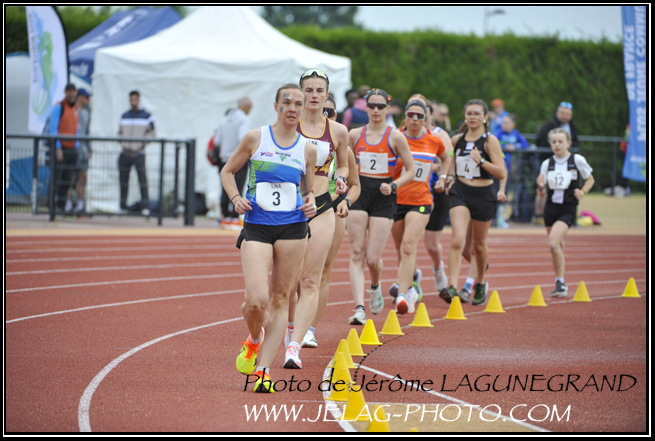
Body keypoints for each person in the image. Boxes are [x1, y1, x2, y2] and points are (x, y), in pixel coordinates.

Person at [222, 83, 317, 393]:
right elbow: (227, 171)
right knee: (256, 302)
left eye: (298, 104)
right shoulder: (255, 138)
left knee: (280, 298)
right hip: (257, 226)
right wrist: (236, 198)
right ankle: (254, 339)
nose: (292, 108)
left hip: (293, 228)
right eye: (287, 102)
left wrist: (311, 201)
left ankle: (263, 369)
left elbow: (309, 190)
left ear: (303, 109)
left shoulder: (307, 149)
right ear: (276, 106)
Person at [282, 68, 349, 370]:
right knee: (289, 280)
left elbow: (344, 166)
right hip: (290, 207)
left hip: (322, 205)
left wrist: (341, 180)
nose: (313, 95)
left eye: (319, 90)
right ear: (300, 94)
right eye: (308, 90)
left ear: (327, 95)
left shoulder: (338, 131)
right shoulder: (288, 126)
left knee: (311, 278)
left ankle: (295, 344)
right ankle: (289, 326)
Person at [347, 88, 415, 324]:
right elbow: (344, 162)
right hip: (359, 194)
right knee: (357, 252)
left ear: (388, 109)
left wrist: (394, 185)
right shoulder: (355, 135)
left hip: (384, 196)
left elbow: (411, 170)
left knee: (373, 259)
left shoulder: (395, 136)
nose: (375, 110)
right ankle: (359, 308)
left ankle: (375, 286)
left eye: (380, 106)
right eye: (372, 106)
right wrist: (344, 180)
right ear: (365, 108)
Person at [300, 93, 361, 348]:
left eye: (330, 112)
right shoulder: (297, 139)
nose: (325, 115)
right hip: (301, 206)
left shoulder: (342, 146)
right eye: (321, 110)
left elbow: (355, 185)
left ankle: (309, 328)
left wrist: (346, 201)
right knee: (297, 272)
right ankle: (293, 321)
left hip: (332, 209)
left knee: (322, 271)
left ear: (336, 116)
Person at [439, 99, 506, 306]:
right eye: (469, 113)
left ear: (485, 117)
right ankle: (452, 286)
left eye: (477, 113)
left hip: (483, 194)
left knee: (478, 245)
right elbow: (451, 160)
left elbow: (501, 172)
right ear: (465, 116)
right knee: (457, 240)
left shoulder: (490, 141)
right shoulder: (457, 139)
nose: (472, 117)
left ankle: (481, 282)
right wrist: (449, 177)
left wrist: (481, 161)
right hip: (460, 192)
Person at [389, 99, 451, 314]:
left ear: (426, 119)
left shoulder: (433, 140)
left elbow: (447, 157)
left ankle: (403, 294)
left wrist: (443, 177)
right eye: (411, 115)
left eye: (420, 116)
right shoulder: (395, 137)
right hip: (396, 200)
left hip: (421, 201)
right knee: (401, 249)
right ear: (405, 118)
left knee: (408, 245)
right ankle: (410, 288)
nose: (415, 119)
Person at [536, 128, 594, 298]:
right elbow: (542, 192)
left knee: (553, 243)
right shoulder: (547, 164)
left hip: (567, 208)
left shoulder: (577, 160)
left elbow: (590, 179)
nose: (557, 145)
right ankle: (560, 281)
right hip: (550, 208)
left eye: (560, 141)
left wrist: (582, 192)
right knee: (557, 246)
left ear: (568, 143)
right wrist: (540, 187)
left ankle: (560, 282)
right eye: (553, 141)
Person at [533, 102, 579, 223]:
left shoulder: (571, 126)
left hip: (565, 162)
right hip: (549, 160)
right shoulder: (549, 125)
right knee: (543, 186)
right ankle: (538, 214)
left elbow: (576, 141)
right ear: (558, 113)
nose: (565, 116)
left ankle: (562, 215)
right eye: (563, 113)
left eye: (567, 114)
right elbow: (539, 141)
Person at [216, 97, 253, 229]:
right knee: (238, 187)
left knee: (225, 187)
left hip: (224, 158)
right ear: (246, 107)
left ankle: (225, 217)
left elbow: (217, 141)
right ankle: (234, 217)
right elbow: (242, 139)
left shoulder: (225, 119)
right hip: (238, 159)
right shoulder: (243, 119)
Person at [118, 90, 156, 216]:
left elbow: (152, 133)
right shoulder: (124, 116)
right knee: (123, 181)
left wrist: (141, 145)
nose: (133, 102)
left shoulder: (147, 116)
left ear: (139, 100)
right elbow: (119, 133)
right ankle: (122, 206)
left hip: (139, 154)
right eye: (131, 100)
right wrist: (124, 144)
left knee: (142, 180)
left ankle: (145, 207)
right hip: (125, 153)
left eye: (135, 99)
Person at [493, 114, 529, 228]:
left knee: (504, 193)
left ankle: (500, 218)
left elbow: (525, 144)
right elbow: (492, 143)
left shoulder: (515, 134)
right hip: (496, 168)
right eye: (503, 122)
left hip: (507, 169)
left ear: (513, 124)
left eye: (507, 123)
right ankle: (491, 218)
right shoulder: (498, 133)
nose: (504, 125)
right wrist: (504, 147)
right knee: (493, 192)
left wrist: (515, 146)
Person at [50, 83, 79, 214]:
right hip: (61, 149)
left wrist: (77, 145)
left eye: (73, 91)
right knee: (57, 179)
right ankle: (52, 206)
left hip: (72, 150)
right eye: (69, 91)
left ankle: (61, 207)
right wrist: (58, 148)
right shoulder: (59, 107)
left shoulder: (75, 109)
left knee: (67, 180)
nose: (71, 94)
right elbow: (53, 128)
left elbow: (76, 129)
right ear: (65, 92)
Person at [72, 88, 92, 215]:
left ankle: (80, 205)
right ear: (80, 97)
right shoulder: (71, 110)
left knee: (83, 176)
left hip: (83, 150)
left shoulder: (86, 112)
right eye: (86, 97)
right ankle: (67, 205)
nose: (88, 100)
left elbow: (87, 131)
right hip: (72, 148)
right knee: (70, 177)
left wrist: (89, 148)